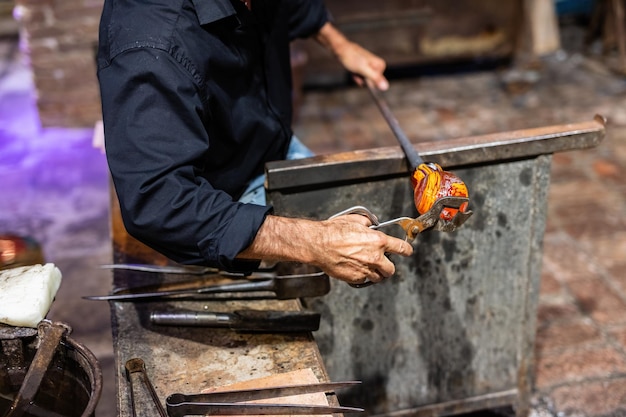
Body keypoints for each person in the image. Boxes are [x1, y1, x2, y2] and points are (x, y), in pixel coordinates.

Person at [97, 0, 413, 287]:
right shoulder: (151, 42)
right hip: (217, 205)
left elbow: (295, 7)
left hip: (267, 142)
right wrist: (314, 242)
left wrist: (341, 45)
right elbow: (160, 202)